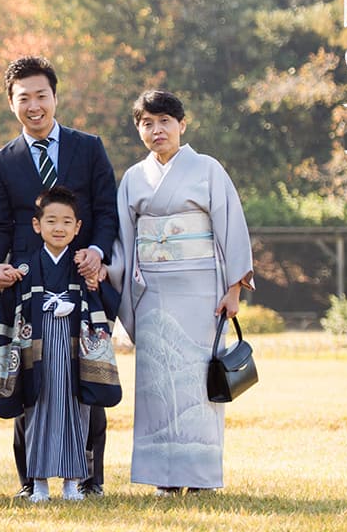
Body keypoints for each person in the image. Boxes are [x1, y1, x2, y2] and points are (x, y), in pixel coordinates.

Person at [102, 89, 255, 495]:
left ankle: (200, 476)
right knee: (157, 384)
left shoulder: (207, 169)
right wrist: (113, 279)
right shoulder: (135, 178)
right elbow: (125, 241)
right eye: (147, 124)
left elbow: (231, 230)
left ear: (182, 124)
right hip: (152, 291)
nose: (157, 130)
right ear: (139, 129)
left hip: (202, 290)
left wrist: (234, 289)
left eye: (164, 121)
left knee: (198, 383)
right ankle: (163, 477)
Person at [0, 56, 118, 497]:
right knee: (29, 378)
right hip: (26, 285)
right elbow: (1, 225)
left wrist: (96, 253)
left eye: (42, 96)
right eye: (24, 98)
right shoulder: (2, 160)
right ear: (11, 103)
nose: (34, 106)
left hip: (84, 280)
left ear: (55, 96)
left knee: (86, 374)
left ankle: (88, 477)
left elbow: (106, 211)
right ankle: (30, 478)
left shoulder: (89, 146)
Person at [0, 187, 121, 503]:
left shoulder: (81, 267)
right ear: (37, 226)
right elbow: (9, 309)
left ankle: (72, 482)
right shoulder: (26, 268)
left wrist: (88, 290)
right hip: (39, 349)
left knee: (77, 413)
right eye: (51, 221)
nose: (58, 228)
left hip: (75, 349)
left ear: (78, 228)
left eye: (66, 222)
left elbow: (107, 303)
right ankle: (38, 483)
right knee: (37, 410)